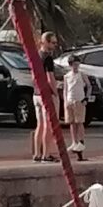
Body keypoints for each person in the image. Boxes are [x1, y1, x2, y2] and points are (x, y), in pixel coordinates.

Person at [28, 31, 61, 160]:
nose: (54, 45)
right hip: (45, 94)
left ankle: (37, 153)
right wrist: (55, 93)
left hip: (36, 93)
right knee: (48, 124)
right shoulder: (48, 58)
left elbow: (33, 76)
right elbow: (50, 78)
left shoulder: (36, 56)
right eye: (53, 43)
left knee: (40, 124)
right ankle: (46, 154)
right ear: (45, 42)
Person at [57, 48, 90, 159]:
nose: (76, 67)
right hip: (70, 100)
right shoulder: (67, 76)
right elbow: (66, 89)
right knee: (71, 122)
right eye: (74, 65)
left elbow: (89, 86)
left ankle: (81, 141)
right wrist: (65, 101)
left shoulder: (82, 75)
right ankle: (74, 141)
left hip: (79, 100)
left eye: (77, 65)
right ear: (70, 65)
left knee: (79, 122)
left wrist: (86, 98)